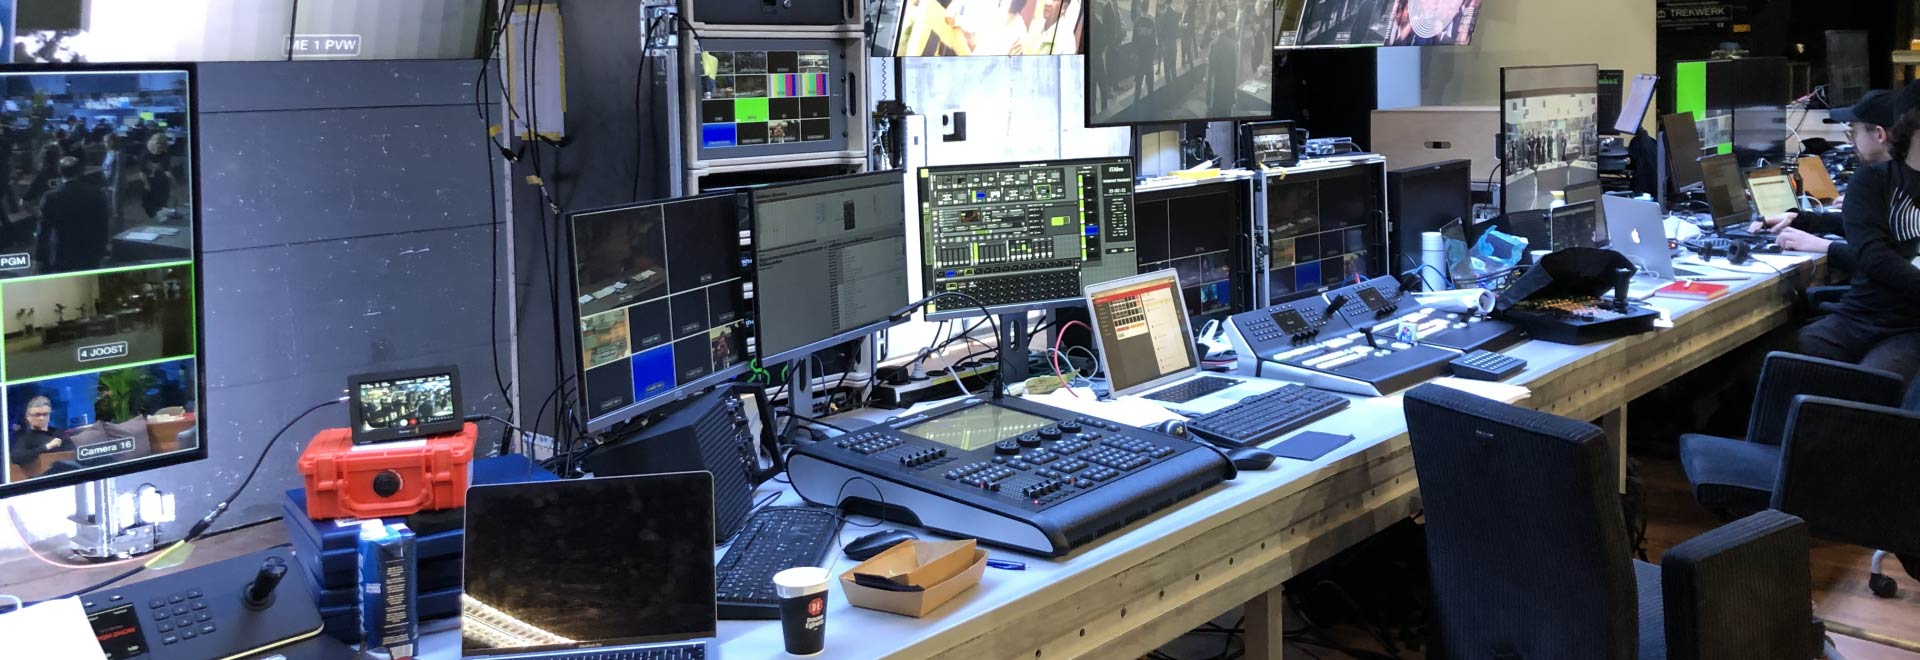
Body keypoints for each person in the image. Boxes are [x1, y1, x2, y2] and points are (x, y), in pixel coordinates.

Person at [1793, 84, 1920, 382]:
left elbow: (1878, 253)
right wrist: (1810, 221)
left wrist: (1823, 243)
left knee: (1873, 385)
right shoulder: (1873, 180)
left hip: (1912, 327)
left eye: (1853, 132)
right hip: (1859, 316)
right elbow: (1873, 250)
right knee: (1779, 364)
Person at [1751, 88, 1900, 258]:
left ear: (1879, 134)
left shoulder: (1898, 183)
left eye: (1853, 132)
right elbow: (1869, 230)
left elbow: (1887, 261)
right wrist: (1800, 220)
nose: (1851, 141)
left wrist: (1823, 246)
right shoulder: (1895, 177)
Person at [39, 157, 111, 272]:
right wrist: (103, 249)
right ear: (80, 171)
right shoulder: (96, 194)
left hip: (61, 251)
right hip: (88, 250)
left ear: (60, 172)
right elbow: (102, 224)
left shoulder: (50, 197)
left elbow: (43, 229)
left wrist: (39, 257)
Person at [9, 396, 72, 476]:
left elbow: (72, 451)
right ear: (28, 417)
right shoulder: (23, 436)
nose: (41, 418)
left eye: (45, 414)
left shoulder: (58, 433)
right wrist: (47, 447)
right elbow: (16, 457)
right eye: (37, 415)